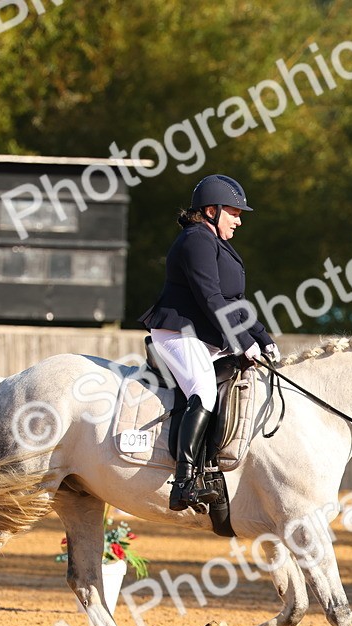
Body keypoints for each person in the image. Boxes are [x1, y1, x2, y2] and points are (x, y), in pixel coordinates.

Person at [138, 174, 279, 511]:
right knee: (204, 390)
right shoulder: (196, 240)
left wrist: (263, 337)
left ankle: (211, 469)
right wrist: (242, 341)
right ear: (212, 210)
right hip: (178, 333)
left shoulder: (216, 242)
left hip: (202, 336)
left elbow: (235, 303)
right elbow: (211, 298)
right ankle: (184, 483)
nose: (240, 220)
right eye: (235, 212)